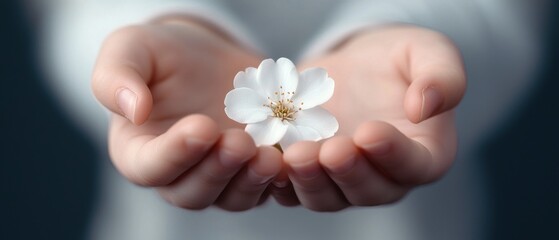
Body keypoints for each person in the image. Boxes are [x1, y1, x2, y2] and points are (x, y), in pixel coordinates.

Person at [34, 0, 547, 239]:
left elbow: (506, 15)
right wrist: (153, 33)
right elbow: (72, 14)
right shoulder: (261, 110)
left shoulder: (303, 112)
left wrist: (414, 35)